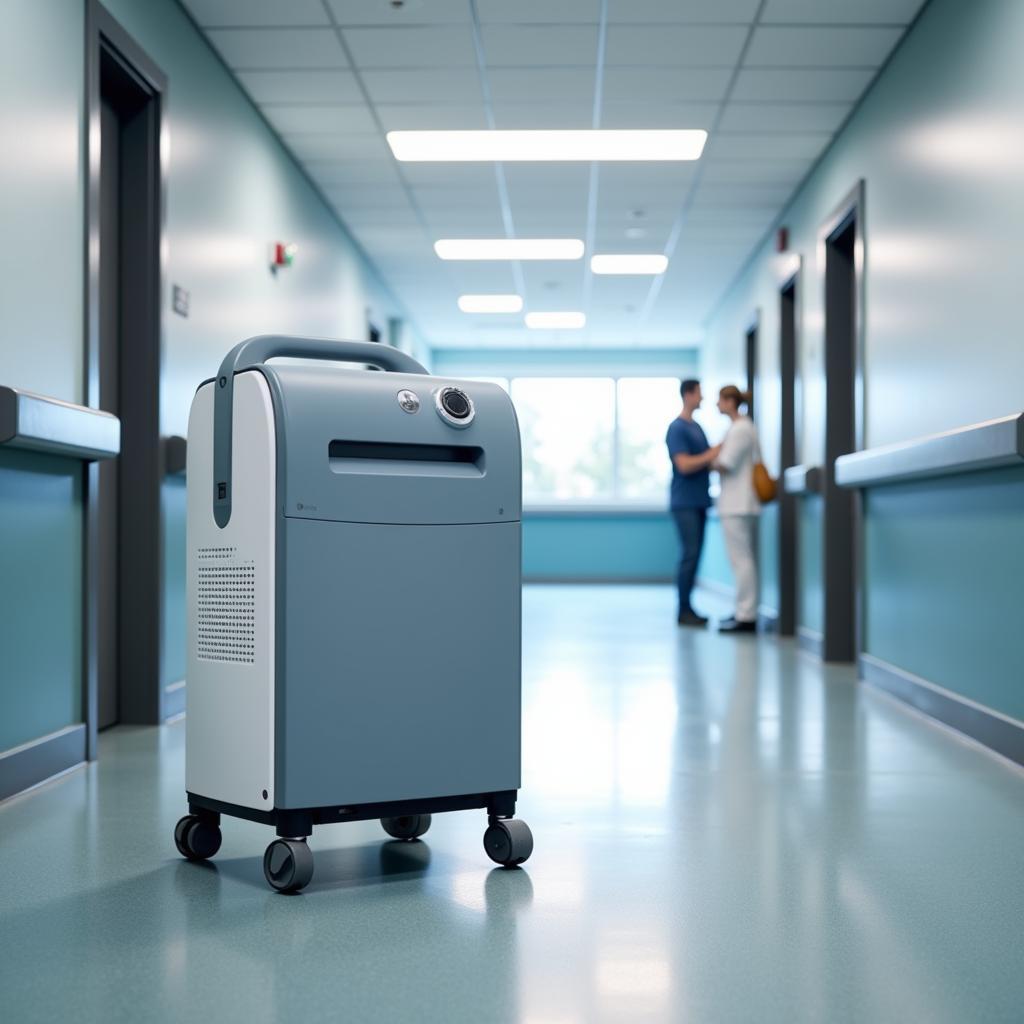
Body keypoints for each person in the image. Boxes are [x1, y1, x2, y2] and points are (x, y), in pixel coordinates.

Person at [666, 379, 721, 627]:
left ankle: (689, 607)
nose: (702, 398)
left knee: (695, 554)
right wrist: (713, 452)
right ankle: (683, 609)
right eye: (699, 393)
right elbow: (685, 464)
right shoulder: (677, 429)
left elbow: (709, 462)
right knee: (689, 555)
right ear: (688, 394)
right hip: (684, 502)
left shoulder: (697, 428)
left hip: (700, 500)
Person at [714, 385, 762, 634]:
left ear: (731, 401)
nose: (717, 405)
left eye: (720, 400)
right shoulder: (740, 427)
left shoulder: (741, 428)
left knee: (742, 560)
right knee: (741, 560)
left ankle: (746, 615)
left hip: (738, 503)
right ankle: (743, 610)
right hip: (737, 502)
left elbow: (725, 463)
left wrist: (705, 461)